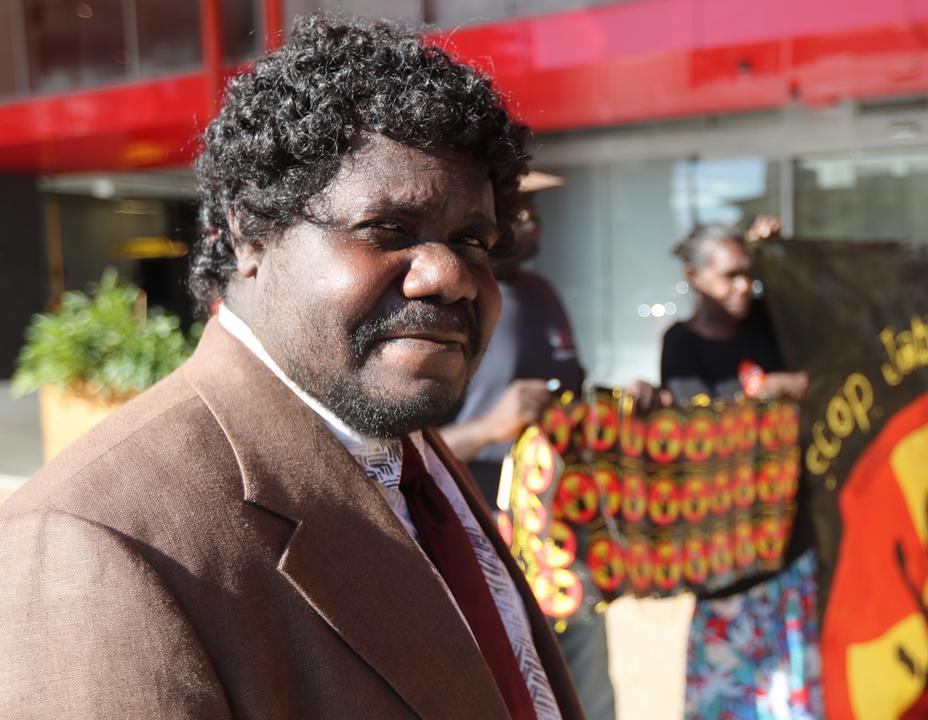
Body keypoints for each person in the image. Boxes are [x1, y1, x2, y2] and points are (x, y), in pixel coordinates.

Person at [0, 16, 583, 720]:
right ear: (250, 233)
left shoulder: (407, 447)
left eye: (473, 240)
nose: (449, 275)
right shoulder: (96, 540)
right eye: (388, 230)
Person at [441, 171, 619, 720]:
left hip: (562, 536)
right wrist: (489, 426)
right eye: (519, 209)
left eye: (536, 210)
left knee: (584, 691)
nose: (532, 221)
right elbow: (393, 453)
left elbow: (572, 396)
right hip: (481, 541)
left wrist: (618, 408)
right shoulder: (447, 307)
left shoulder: (542, 294)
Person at [660, 220, 821, 720]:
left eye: (748, 275)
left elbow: (818, 333)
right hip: (724, 551)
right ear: (694, 276)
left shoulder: (766, 323)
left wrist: (772, 253)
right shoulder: (681, 344)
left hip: (788, 543)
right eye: (729, 275)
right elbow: (696, 425)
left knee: (790, 687)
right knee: (726, 693)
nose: (741, 288)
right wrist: (764, 393)